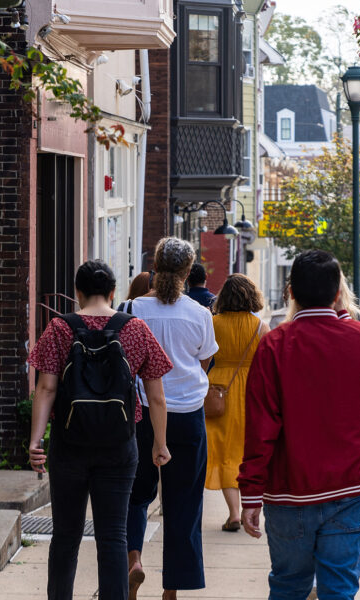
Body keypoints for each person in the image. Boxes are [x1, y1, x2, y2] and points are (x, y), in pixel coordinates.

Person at [27, 260, 173, 600]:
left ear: (78, 293)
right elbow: (156, 395)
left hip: (69, 444)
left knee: (65, 535)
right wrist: (160, 444)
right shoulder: (135, 329)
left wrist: (36, 441)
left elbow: (45, 389)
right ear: (112, 292)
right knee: (114, 537)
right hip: (120, 445)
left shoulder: (59, 329)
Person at [239, 250, 360, 599]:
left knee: (288, 585)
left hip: (288, 494)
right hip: (349, 490)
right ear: (338, 293)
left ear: (291, 292)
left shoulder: (274, 346)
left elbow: (260, 428)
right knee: (339, 588)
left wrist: (250, 494)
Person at [126, 238, 218, 600]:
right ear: (187, 271)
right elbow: (204, 362)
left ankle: (134, 560)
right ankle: (171, 589)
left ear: (155, 267)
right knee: (184, 503)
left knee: (134, 495)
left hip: (141, 414)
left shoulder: (133, 308)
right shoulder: (199, 314)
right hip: (188, 415)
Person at [204, 274, 269, 532]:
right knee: (245, 451)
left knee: (222, 451)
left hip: (219, 388)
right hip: (250, 390)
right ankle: (247, 508)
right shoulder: (260, 326)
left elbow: (204, 355)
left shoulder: (213, 323)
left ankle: (232, 512)